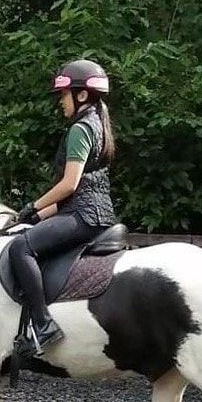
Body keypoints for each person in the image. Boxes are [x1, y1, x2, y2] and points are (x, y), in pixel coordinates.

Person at [10, 59, 118, 356]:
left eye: (64, 95)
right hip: (92, 212)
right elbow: (78, 192)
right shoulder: (99, 124)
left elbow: (69, 185)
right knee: (26, 233)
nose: (61, 102)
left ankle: (43, 325)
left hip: (83, 215)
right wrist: (32, 217)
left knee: (21, 248)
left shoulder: (80, 129)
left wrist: (32, 205)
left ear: (81, 95)